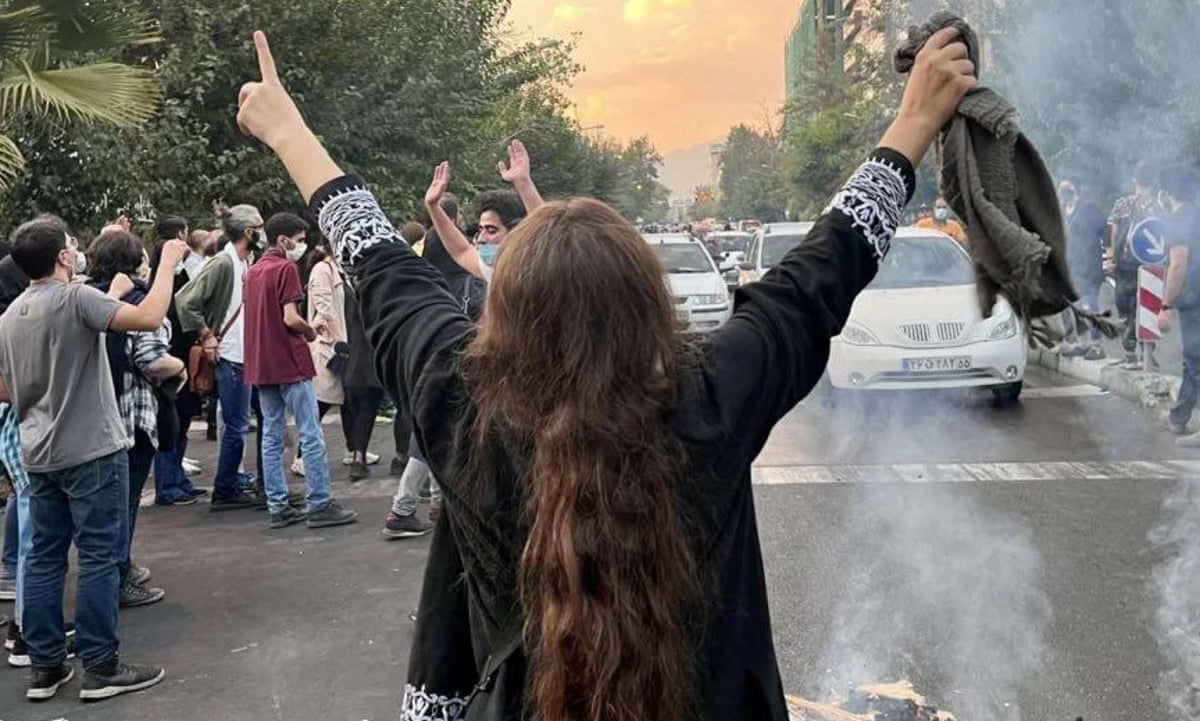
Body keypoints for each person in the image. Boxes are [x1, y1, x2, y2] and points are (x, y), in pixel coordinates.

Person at [236, 25, 970, 721]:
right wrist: (915, 120)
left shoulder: (461, 401)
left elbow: (379, 262)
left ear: (506, 311)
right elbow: (823, 271)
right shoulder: (711, 396)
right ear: (647, 302)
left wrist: (289, 133)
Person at [0, 215, 187, 701]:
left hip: (39, 451)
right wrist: (167, 262)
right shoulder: (76, 300)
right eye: (71, 245)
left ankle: (45, 667)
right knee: (100, 556)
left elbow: (5, 388)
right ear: (63, 256)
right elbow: (148, 318)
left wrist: (41, 394)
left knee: (45, 558)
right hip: (93, 449)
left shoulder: (12, 314)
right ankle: (101, 666)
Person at [86, 231, 185, 608]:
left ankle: (121, 567)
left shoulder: (83, 297)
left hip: (91, 414)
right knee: (122, 505)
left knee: (105, 507)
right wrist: (179, 367)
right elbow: (152, 360)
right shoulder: (141, 302)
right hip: (130, 415)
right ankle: (117, 578)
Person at [244, 212, 357, 530]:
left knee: (271, 434)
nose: (302, 245)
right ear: (283, 240)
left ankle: (277, 504)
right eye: (299, 239)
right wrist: (310, 331)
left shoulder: (253, 272)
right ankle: (320, 502)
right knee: (310, 432)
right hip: (290, 359)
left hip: (262, 361)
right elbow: (291, 318)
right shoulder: (286, 269)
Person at [176, 204, 262, 511]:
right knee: (236, 426)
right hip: (230, 354)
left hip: (242, 352)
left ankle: (234, 481)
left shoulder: (243, 261)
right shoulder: (224, 263)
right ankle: (225, 488)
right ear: (249, 232)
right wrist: (206, 334)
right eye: (259, 227)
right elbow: (185, 300)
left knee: (241, 423)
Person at [1157, 167, 1200, 442]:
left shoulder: (1180, 219)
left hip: (1195, 301)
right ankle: (1179, 417)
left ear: (1168, 192)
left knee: (1196, 362)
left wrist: (1166, 306)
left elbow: (1178, 263)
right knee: (1192, 360)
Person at [1108, 162, 1160, 369]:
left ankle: (1131, 354)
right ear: (1153, 182)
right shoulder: (1159, 206)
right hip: (1151, 264)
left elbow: (1114, 232)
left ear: (1135, 180)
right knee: (1149, 308)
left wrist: (1112, 258)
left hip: (1126, 262)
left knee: (1126, 309)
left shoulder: (1123, 203)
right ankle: (1147, 353)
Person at [1059, 179, 1109, 360]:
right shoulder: (1063, 211)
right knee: (1076, 308)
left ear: (1076, 190)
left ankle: (1097, 346)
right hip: (1072, 269)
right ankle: (1083, 344)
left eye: (1068, 189)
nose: (1064, 193)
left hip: (1089, 269)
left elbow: (1105, 231)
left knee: (1090, 307)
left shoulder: (1089, 209)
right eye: (1061, 189)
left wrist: (1109, 255)